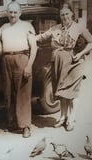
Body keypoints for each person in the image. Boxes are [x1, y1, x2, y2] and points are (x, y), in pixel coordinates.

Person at [36, 3, 92, 131]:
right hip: (59, 63)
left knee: (72, 93)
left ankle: (71, 119)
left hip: (74, 63)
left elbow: (91, 42)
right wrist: (29, 37)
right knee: (62, 92)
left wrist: (81, 53)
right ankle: (62, 117)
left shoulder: (79, 28)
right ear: (60, 16)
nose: (65, 16)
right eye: (62, 14)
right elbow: (41, 37)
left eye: (67, 13)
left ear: (72, 14)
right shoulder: (55, 28)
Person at [0, 1, 37, 138]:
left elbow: (34, 48)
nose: (12, 14)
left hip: (22, 58)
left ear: (20, 13)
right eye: (10, 12)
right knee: (9, 93)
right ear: (7, 13)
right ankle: (12, 122)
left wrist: (29, 65)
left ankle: (25, 126)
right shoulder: (4, 27)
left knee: (23, 93)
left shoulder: (26, 26)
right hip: (7, 60)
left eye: (15, 12)